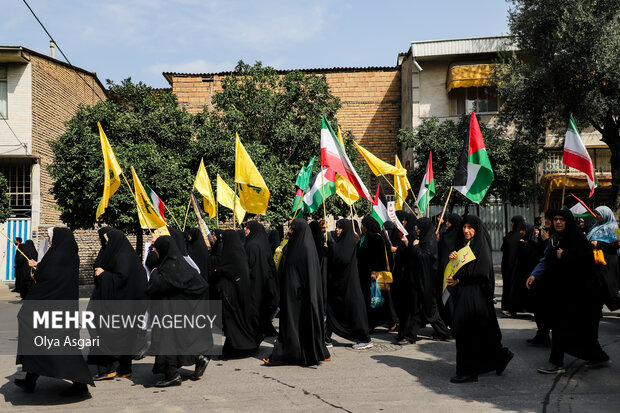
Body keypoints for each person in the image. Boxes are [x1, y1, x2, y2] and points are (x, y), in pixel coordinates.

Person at [527, 210, 609, 374]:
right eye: (556, 219)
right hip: (562, 291)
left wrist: (565, 255)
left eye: (561, 220)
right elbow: (545, 259)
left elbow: (586, 263)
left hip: (580, 292)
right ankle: (597, 356)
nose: (558, 222)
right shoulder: (554, 239)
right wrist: (535, 274)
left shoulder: (577, 239)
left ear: (568, 222)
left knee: (566, 327)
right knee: (567, 327)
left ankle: (557, 363)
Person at [15, 228, 93, 396]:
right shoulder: (67, 255)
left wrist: (36, 271)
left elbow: (46, 278)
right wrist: (38, 266)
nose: (49, 241)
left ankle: (80, 385)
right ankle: (30, 380)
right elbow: (51, 273)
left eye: (50, 238)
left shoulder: (58, 256)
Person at [447, 215, 513, 383]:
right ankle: (500, 357)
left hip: (474, 296)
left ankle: (468, 372)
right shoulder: (465, 245)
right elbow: (462, 266)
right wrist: (454, 258)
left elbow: (482, 273)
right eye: (464, 226)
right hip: (466, 295)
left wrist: (460, 279)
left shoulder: (480, 245)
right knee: (481, 334)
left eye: (470, 227)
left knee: (466, 333)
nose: (466, 230)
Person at [264, 219, 330, 366]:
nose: (290, 231)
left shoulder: (306, 247)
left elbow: (309, 276)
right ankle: (299, 353)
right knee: (293, 326)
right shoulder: (294, 246)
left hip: (299, 296)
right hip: (292, 294)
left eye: (292, 229)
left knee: (294, 325)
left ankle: (285, 355)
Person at [146, 235, 210, 387]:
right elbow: (202, 286)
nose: (156, 251)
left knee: (167, 341)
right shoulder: (183, 265)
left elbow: (155, 286)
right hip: (182, 314)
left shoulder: (167, 268)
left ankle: (173, 375)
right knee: (181, 340)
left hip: (168, 315)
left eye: (157, 248)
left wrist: (154, 271)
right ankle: (197, 357)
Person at [89, 227, 148, 381]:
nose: (100, 241)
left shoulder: (123, 256)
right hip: (114, 304)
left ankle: (107, 369)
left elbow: (122, 279)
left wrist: (104, 274)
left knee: (103, 332)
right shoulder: (113, 253)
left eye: (103, 238)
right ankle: (124, 368)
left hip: (119, 305)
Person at [214, 229, 262, 357]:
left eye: (224, 239)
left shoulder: (233, 253)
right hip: (234, 292)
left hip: (234, 294)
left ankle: (240, 347)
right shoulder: (236, 251)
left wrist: (219, 270)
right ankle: (234, 347)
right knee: (234, 323)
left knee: (234, 322)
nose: (222, 242)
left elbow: (232, 270)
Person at [325, 219, 372, 349]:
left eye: (339, 228)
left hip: (349, 286)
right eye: (336, 227)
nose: (337, 230)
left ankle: (364, 338)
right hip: (339, 286)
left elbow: (342, 259)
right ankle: (326, 338)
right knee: (332, 311)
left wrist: (331, 249)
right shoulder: (343, 243)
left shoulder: (349, 243)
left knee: (354, 312)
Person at [407, 218, 451, 341]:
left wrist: (415, 247)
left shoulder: (429, 242)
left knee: (430, 308)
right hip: (422, 278)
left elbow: (424, 259)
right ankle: (411, 335)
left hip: (428, 280)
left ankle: (445, 333)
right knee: (420, 308)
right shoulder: (426, 239)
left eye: (419, 228)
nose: (418, 231)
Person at [244, 221, 279, 337]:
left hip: (254, 282)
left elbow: (248, 265)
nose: (245, 230)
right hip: (265, 282)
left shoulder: (251, 245)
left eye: (247, 228)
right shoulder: (263, 244)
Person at [586, 206, 620, 311]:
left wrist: (599, 244)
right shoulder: (595, 226)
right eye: (596, 214)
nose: (596, 216)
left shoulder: (616, 228)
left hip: (608, 262)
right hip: (595, 261)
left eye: (599, 214)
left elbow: (618, 245)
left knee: (607, 288)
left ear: (606, 214)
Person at [437, 213, 462, 327]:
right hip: (442, 271)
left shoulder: (459, 237)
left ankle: (453, 324)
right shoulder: (445, 234)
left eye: (449, 222)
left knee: (451, 299)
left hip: (452, 273)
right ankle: (446, 322)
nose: (446, 223)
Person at [508, 222, 538, 315]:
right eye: (521, 230)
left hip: (530, 272)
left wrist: (523, 245)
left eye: (523, 230)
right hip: (520, 272)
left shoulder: (535, 243)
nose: (521, 232)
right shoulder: (520, 242)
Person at [500, 215, 525, 317]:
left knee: (508, 287)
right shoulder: (523, 236)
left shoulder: (509, 236)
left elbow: (503, 249)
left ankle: (507, 307)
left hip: (508, 266)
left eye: (512, 222)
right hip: (520, 267)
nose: (511, 224)